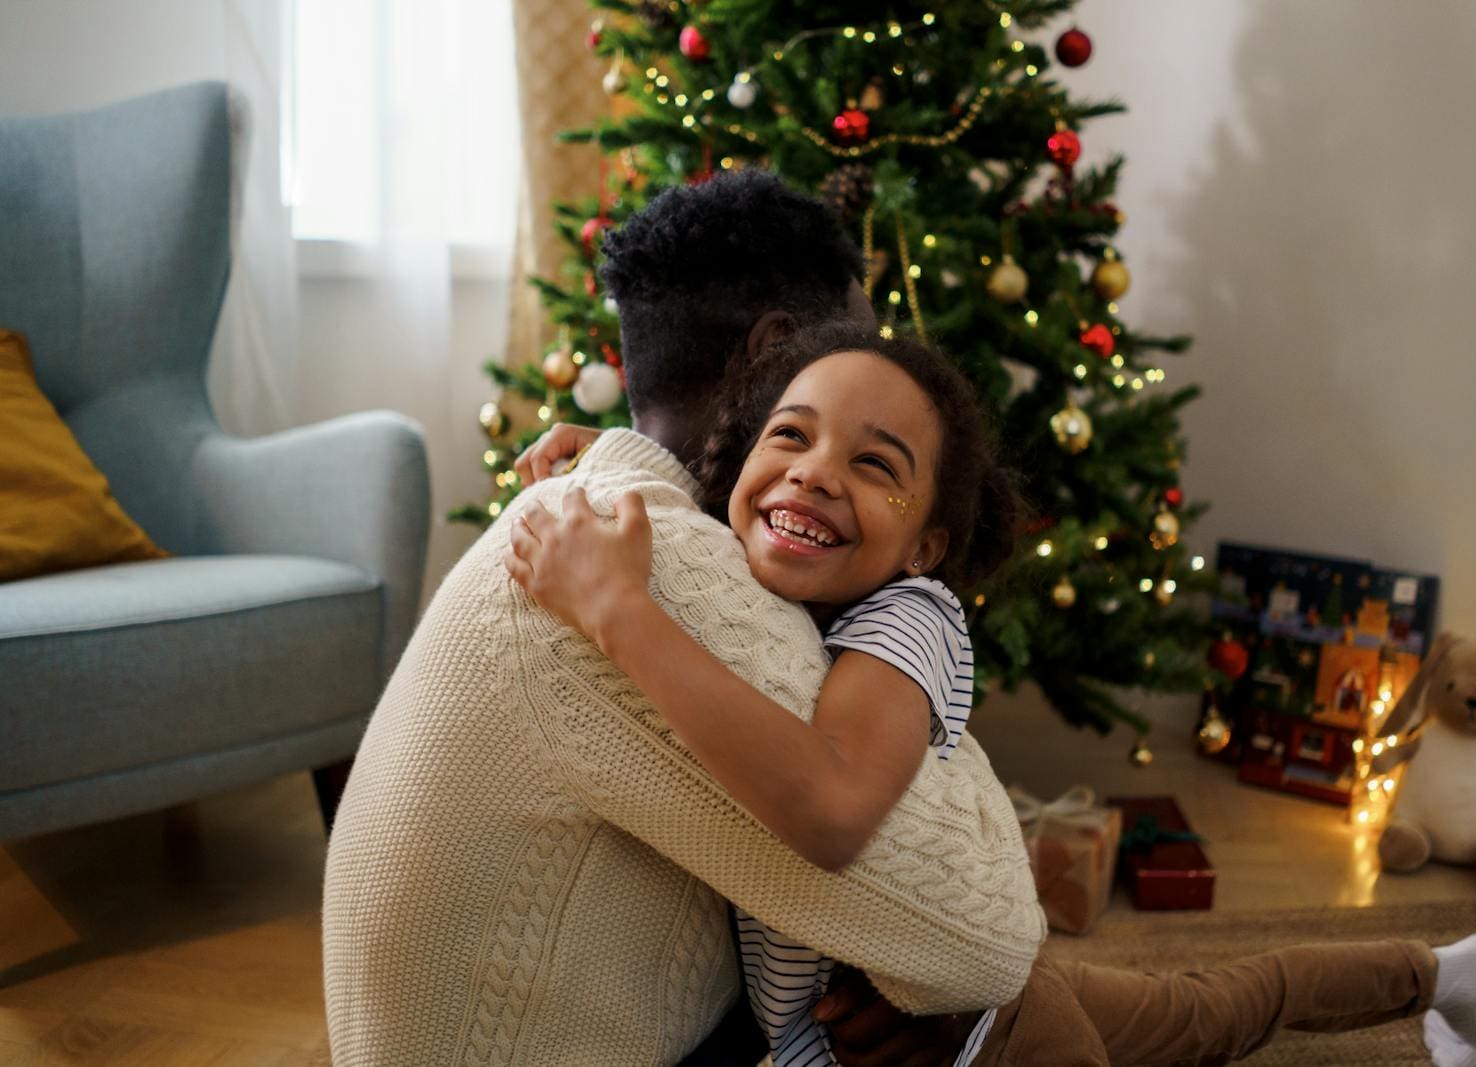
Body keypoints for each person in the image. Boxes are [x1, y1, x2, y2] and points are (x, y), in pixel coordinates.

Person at [506, 324, 1476, 1067]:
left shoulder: (911, 619)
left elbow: (830, 802)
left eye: (872, 464)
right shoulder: (751, 581)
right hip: (955, 992)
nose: (812, 474)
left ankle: (1440, 976)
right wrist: (602, 454)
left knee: (1210, 1020)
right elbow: (718, 509)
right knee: (1216, 1007)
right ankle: (1448, 972)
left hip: (988, 1039)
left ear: (925, 546)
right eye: (790, 435)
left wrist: (614, 606)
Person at [320, 171, 1045, 1067]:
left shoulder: (604, 515)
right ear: (779, 351)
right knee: (1030, 1008)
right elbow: (992, 940)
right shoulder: (649, 571)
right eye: (858, 344)